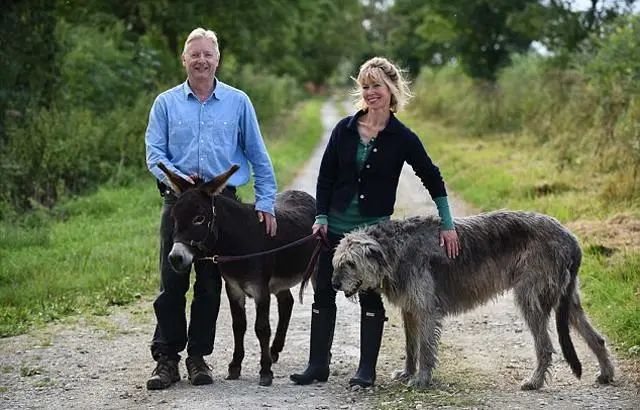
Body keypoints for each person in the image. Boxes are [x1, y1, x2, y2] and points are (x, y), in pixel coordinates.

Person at [290, 57, 460, 388]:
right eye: (365, 87)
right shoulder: (345, 129)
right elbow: (325, 177)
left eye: (376, 86)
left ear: (391, 89)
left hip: (374, 235)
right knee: (324, 291)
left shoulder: (402, 137)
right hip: (335, 229)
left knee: (370, 297)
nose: (370, 93)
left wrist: (448, 222)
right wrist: (321, 216)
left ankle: (366, 370)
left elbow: (432, 176)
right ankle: (316, 365)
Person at [144, 27, 277, 390]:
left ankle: (198, 358)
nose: (201, 60)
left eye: (208, 54)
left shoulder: (238, 102)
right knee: (172, 282)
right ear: (183, 59)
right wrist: (175, 176)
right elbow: (154, 154)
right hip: (180, 203)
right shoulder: (166, 103)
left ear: (217, 60)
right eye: (195, 54)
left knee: (210, 285)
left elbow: (258, 156)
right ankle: (166, 359)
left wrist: (265, 202)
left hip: (223, 208)